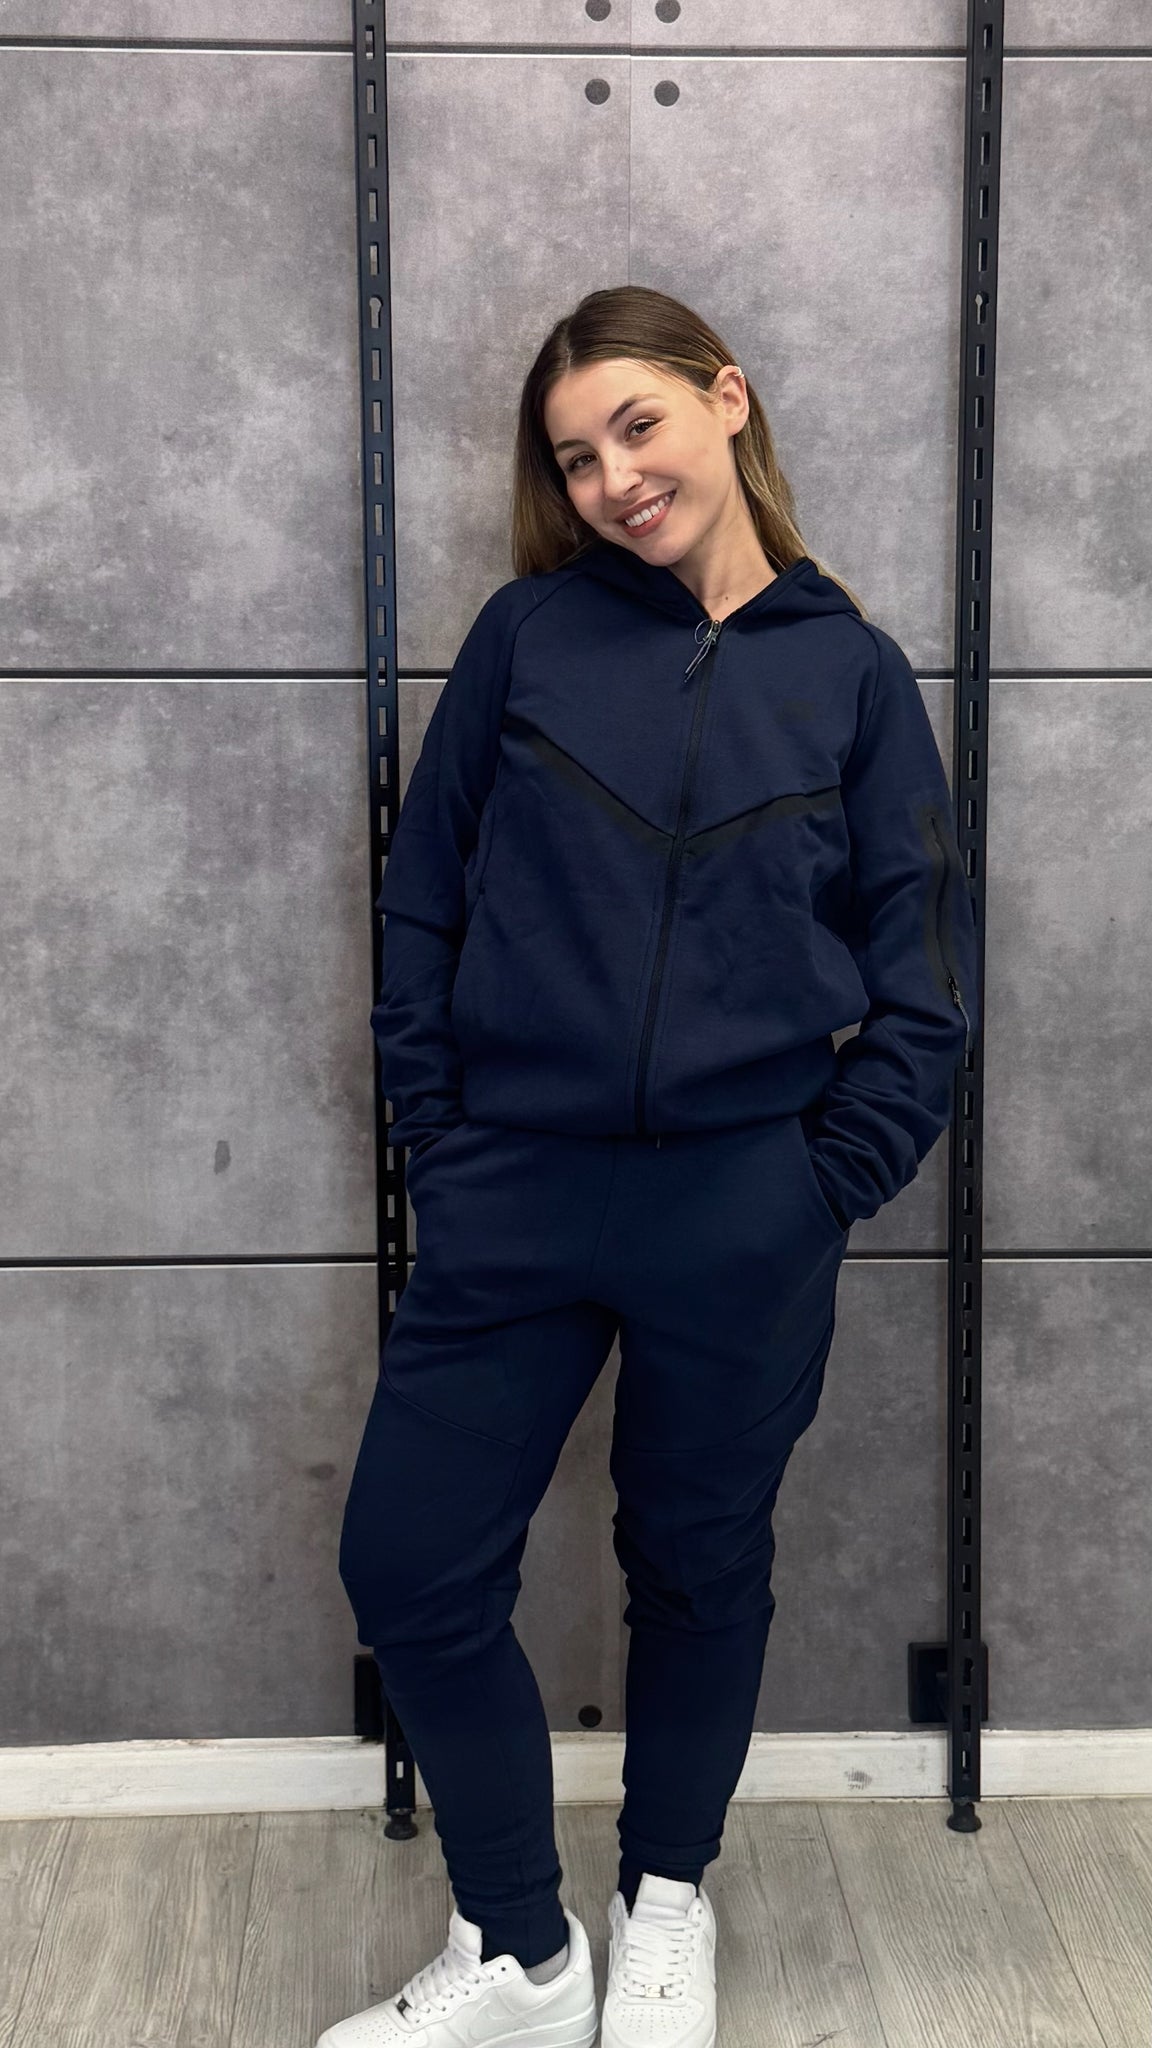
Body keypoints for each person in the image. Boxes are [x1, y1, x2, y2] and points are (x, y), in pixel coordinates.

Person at [324, 284, 979, 2048]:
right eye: (574, 456)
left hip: (740, 1207)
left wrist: (818, 1185)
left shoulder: (851, 675)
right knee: (411, 1564)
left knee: (699, 1568)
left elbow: (926, 979)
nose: (613, 477)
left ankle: (665, 1899)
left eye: (638, 425)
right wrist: (441, 1138)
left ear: (726, 401)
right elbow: (422, 899)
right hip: (516, 1191)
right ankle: (522, 1954)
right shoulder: (527, 639)